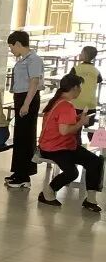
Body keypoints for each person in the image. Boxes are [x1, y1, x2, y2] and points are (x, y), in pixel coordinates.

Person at [37, 75, 102, 213]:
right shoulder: (66, 105)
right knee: (72, 172)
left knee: (95, 161)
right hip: (55, 147)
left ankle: (91, 199)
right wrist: (81, 122)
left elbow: (62, 124)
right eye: (80, 87)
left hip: (58, 145)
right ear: (75, 87)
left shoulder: (58, 101)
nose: (80, 91)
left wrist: (77, 118)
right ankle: (48, 192)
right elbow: (64, 131)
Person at [5, 30, 44, 188]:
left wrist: (26, 104)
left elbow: (34, 82)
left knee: (26, 136)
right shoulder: (23, 59)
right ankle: (18, 171)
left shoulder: (34, 59)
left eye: (11, 46)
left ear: (18, 44)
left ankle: (24, 175)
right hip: (21, 97)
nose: (11, 50)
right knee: (20, 136)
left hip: (28, 98)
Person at [68, 45, 102, 136]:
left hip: (77, 103)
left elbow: (68, 81)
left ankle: (77, 145)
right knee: (91, 131)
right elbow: (99, 80)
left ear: (85, 55)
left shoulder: (76, 69)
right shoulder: (96, 71)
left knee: (76, 131)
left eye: (82, 53)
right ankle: (94, 144)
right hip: (91, 104)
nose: (80, 54)